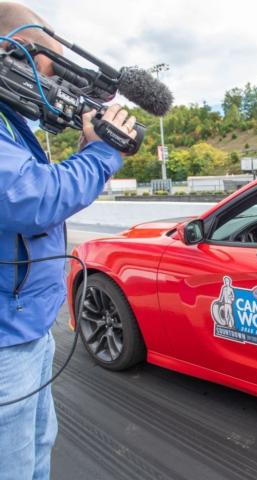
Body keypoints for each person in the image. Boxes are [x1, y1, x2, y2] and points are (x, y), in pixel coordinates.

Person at [0, 3, 138, 479]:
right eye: (46, 64)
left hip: (28, 330)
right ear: (8, 52)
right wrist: (102, 152)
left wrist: (89, 148)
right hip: (5, 340)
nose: (51, 78)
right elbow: (30, 200)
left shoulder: (12, 126)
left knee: (38, 447)